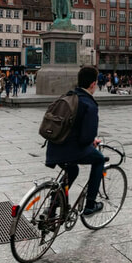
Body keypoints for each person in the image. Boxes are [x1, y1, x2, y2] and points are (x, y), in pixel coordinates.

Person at [44, 66, 105, 216]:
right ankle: (90, 205)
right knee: (99, 160)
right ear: (92, 84)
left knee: (72, 169)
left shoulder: (68, 96)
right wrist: (92, 141)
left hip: (53, 148)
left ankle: (52, 207)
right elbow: (86, 137)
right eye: (96, 83)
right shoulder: (89, 104)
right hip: (71, 150)